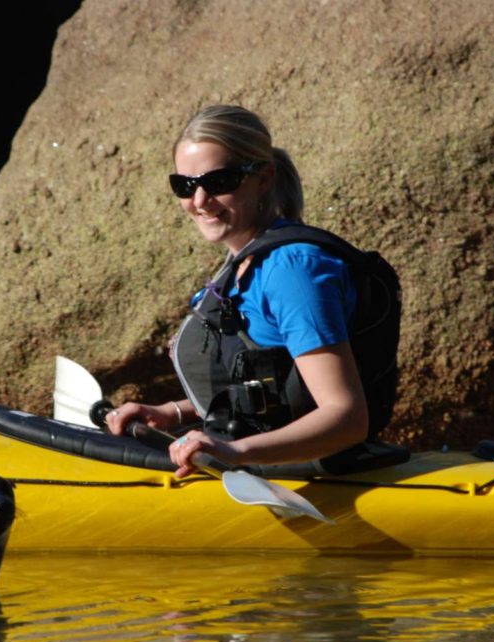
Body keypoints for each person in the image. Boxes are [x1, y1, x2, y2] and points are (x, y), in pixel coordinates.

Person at [106, 105, 370, 478]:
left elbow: (346, 417)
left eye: (218, 182)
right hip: (255, 467)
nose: (198, 201)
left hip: (306, 477)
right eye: (185, 185)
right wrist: (172, 412)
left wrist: (234, 451)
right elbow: (271, 389)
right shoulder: (243, 262)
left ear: (263, 178)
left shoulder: (292, 271)